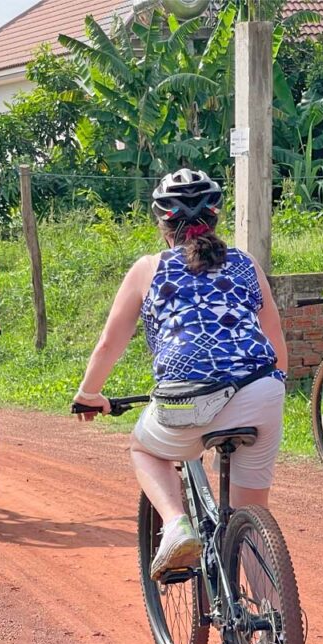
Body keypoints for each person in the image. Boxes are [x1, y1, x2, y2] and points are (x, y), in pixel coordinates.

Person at [73, 168, 288, 581]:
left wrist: (88, 393)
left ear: (163, 224)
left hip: (185, 398)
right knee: (251, 514)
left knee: (144, 449)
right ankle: (271, 632)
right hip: (260, 392)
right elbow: (275, 338)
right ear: (216, 218)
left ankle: (174, 525)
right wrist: (268, 390)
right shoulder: (245, 263)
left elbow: (108, 344)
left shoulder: (148, 268)